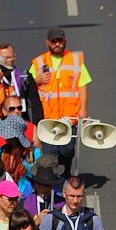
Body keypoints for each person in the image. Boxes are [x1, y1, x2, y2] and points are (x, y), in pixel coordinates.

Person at [30, 26, 92, 175]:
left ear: (65, 41)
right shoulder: (39, 62)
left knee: (67, 152)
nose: (57, 44)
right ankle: (53, 183)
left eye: (60, 41)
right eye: (53, 41)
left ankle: (64, 178)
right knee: (50, 154)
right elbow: (28, 86)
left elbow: (82, 85)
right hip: (48, 119)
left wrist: (83, 108)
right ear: (47, 43)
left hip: (69, 119)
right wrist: (37, 79)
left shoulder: (75, 60)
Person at [0, 43, 44, 123]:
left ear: (14, 57)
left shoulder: (24, 77)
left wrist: (38, 127)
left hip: (22, 121)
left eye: (8, 57)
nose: (4, 61)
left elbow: (36, 105)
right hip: (1, 123)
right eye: (1, 58)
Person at [22, 154, 65, 220]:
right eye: (42, 185)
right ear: (34, 185)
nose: (46, 189)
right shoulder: (24, 205)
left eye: (50, 185)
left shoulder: (62, 204)